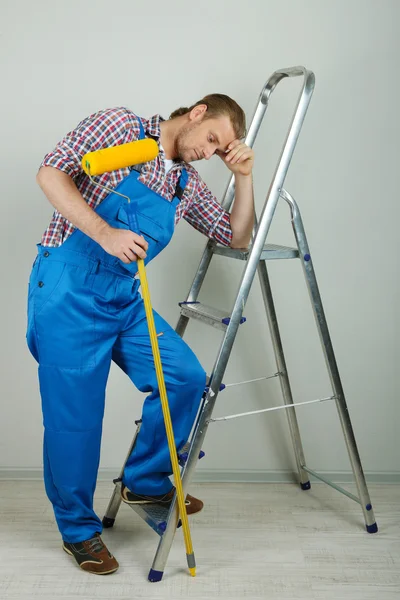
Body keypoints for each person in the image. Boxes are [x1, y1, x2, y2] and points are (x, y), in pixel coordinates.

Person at [27, 94, 255, 575]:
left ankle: (146, 479)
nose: (208, 152)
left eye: (220, 150)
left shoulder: (185, 184)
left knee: (186, 378)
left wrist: (244, 176)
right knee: (77, 421)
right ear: (196, 114)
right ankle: (79, 531)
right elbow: (51, 172)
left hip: (121, 298)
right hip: (68, 289)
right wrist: (105, 233)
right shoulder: (121, 126)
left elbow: (235, 238)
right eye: (211, 138)